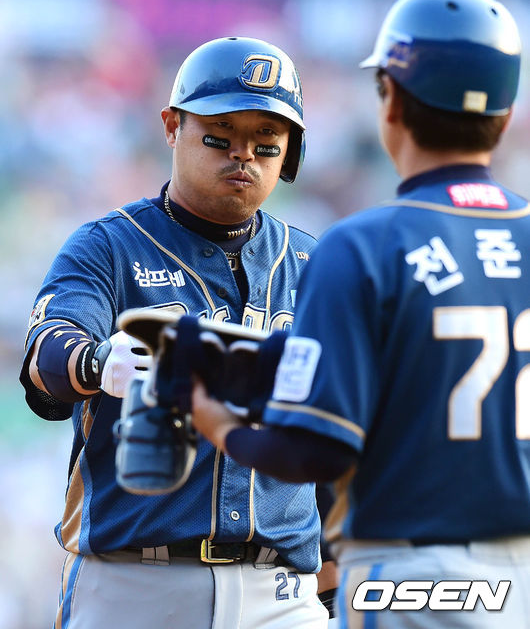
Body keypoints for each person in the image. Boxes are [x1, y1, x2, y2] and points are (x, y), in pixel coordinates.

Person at [190, 0, 530, 627]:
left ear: (390, 100)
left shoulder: (365, 246)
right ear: (506, 115)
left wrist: (220, 426)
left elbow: (314, 453)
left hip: (414, 577)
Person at [20, 37, 332, 628]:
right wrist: (97, 363)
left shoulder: (316, 265)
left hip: (282, 593)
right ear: (172, 126)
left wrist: (335, 590)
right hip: (136, 584)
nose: (243, 155)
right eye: (220, 134)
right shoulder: (110, 245)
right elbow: (45, 356)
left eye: (266, 141)